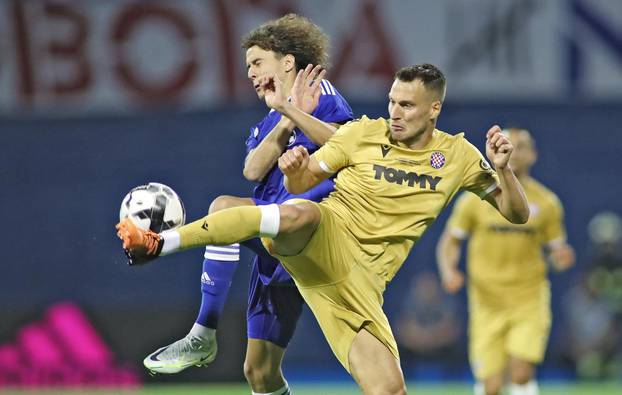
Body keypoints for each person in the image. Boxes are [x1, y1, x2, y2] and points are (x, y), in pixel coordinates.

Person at [117, 63, 530, 394]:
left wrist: (504, 171)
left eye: (406, 105)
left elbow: (517, 214)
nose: (395, 113)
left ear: (434, 109)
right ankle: (159, 243)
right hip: (328, 235)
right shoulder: (363, 134)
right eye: (391, 101)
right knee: (296, 213)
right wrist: (295, 168)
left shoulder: (458, 155)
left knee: (388, 389)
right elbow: (303, 184)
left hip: (359, 287)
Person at [142, 14, 353, 395]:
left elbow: (349, 143)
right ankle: (206, 338)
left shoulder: (321, 96)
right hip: (274, 247)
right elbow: (252, 170)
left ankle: (202, 333)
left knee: (224, 207)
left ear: (287, 61)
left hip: (308, 236)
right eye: (248, 67)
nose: (252, 74)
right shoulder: (274, 116)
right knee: (259, 372)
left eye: (257, 62)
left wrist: (296, 111)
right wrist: (286, 118)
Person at [436, 128, 575, 395]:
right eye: (507, 143)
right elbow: (450, 241)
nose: (513, 151)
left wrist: (560, 259)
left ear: (532, 155)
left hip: (528, 299)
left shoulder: (547, 204)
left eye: (521, 146)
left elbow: (556, 250)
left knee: (521, 372)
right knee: (491, 387)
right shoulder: (475, 201)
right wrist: (448, 270)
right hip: (486, 302)